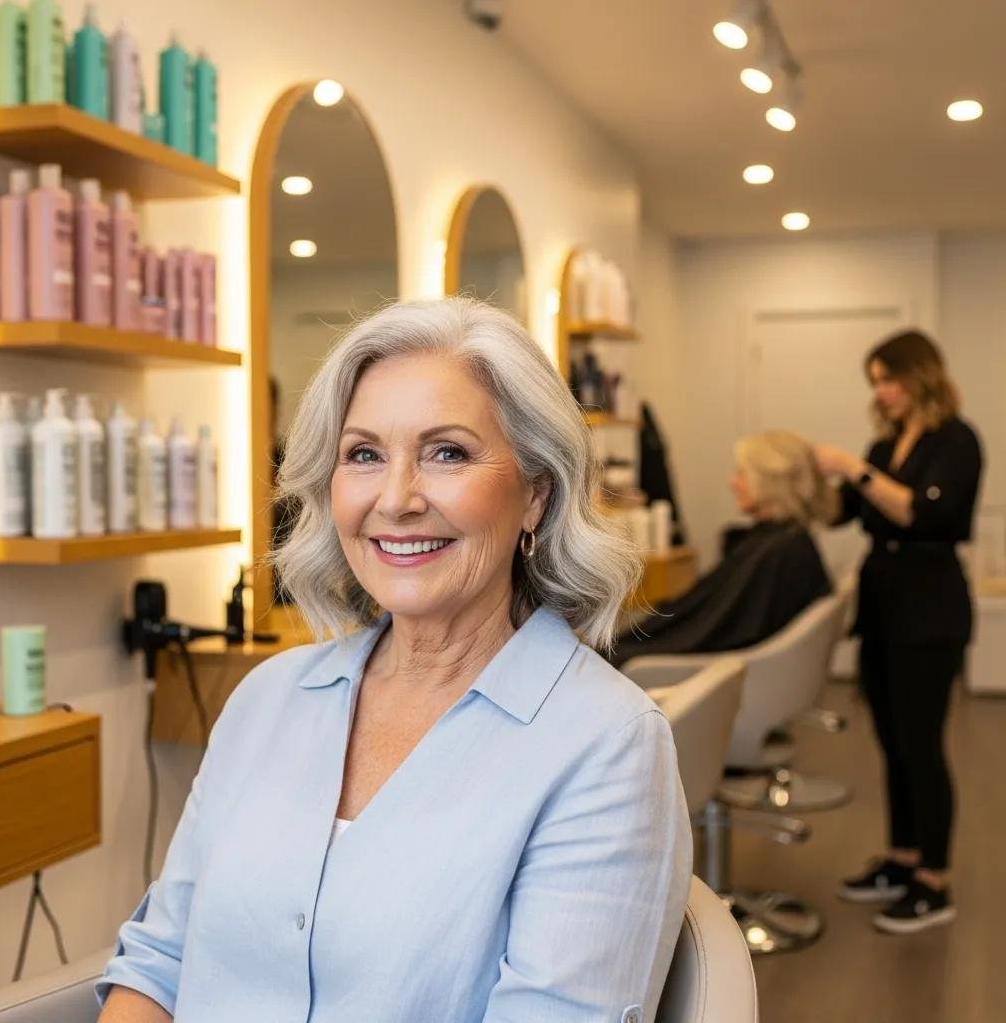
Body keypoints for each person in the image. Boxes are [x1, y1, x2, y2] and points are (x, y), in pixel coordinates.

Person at [96, 298, 692, 1022]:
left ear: (536, 493)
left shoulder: (606, 744)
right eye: (364, 455)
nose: (396, 498)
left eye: (448, 453)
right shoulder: (267, 698)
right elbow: (161, 962)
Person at [813, 329, 982, 935]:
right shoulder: (887, 445)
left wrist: (854, 469)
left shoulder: (956, 441)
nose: (880, 392)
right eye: (875, 382)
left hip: (930, 612)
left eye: (887, 379)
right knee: (892, 741)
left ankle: (933, 881)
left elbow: (921, 511)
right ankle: (903, 858)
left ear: (919, 375)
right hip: (884, 610)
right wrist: (805, 478)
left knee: (922, 746)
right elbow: (845, 512)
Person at [611, 429, 835, 667]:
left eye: (742, 474)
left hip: (715, 671)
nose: (733, 483)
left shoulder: (780, 552)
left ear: (769, 482)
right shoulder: (785, 542)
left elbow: (716, 632)